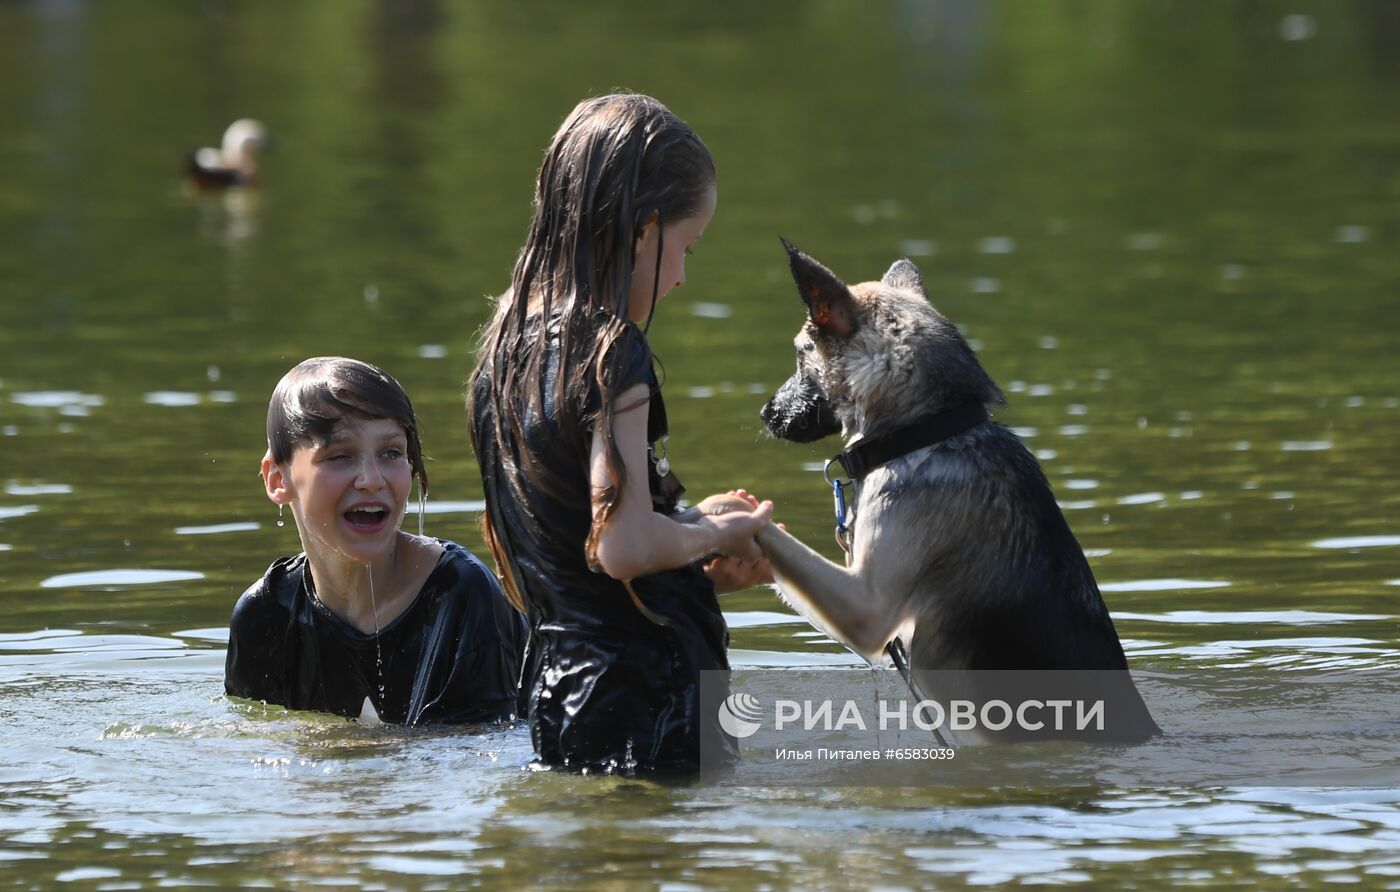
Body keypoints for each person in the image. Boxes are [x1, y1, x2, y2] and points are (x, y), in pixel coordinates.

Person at [468, 93, 775, 774]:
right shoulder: (612, 353)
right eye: (685, 248)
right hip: (648, 699)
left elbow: (557, 557)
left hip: (554, 697)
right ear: (643, 228)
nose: (682, 278)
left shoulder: (502, 357)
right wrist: (715, 537)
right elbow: (623, 545)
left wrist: (688, 531)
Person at [226, 357, 526, 725]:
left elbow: (469, 758)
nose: (371, 479)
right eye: (339, 456)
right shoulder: (265, 615)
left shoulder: (461, 594)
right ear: (277, 479)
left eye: (391, 453)